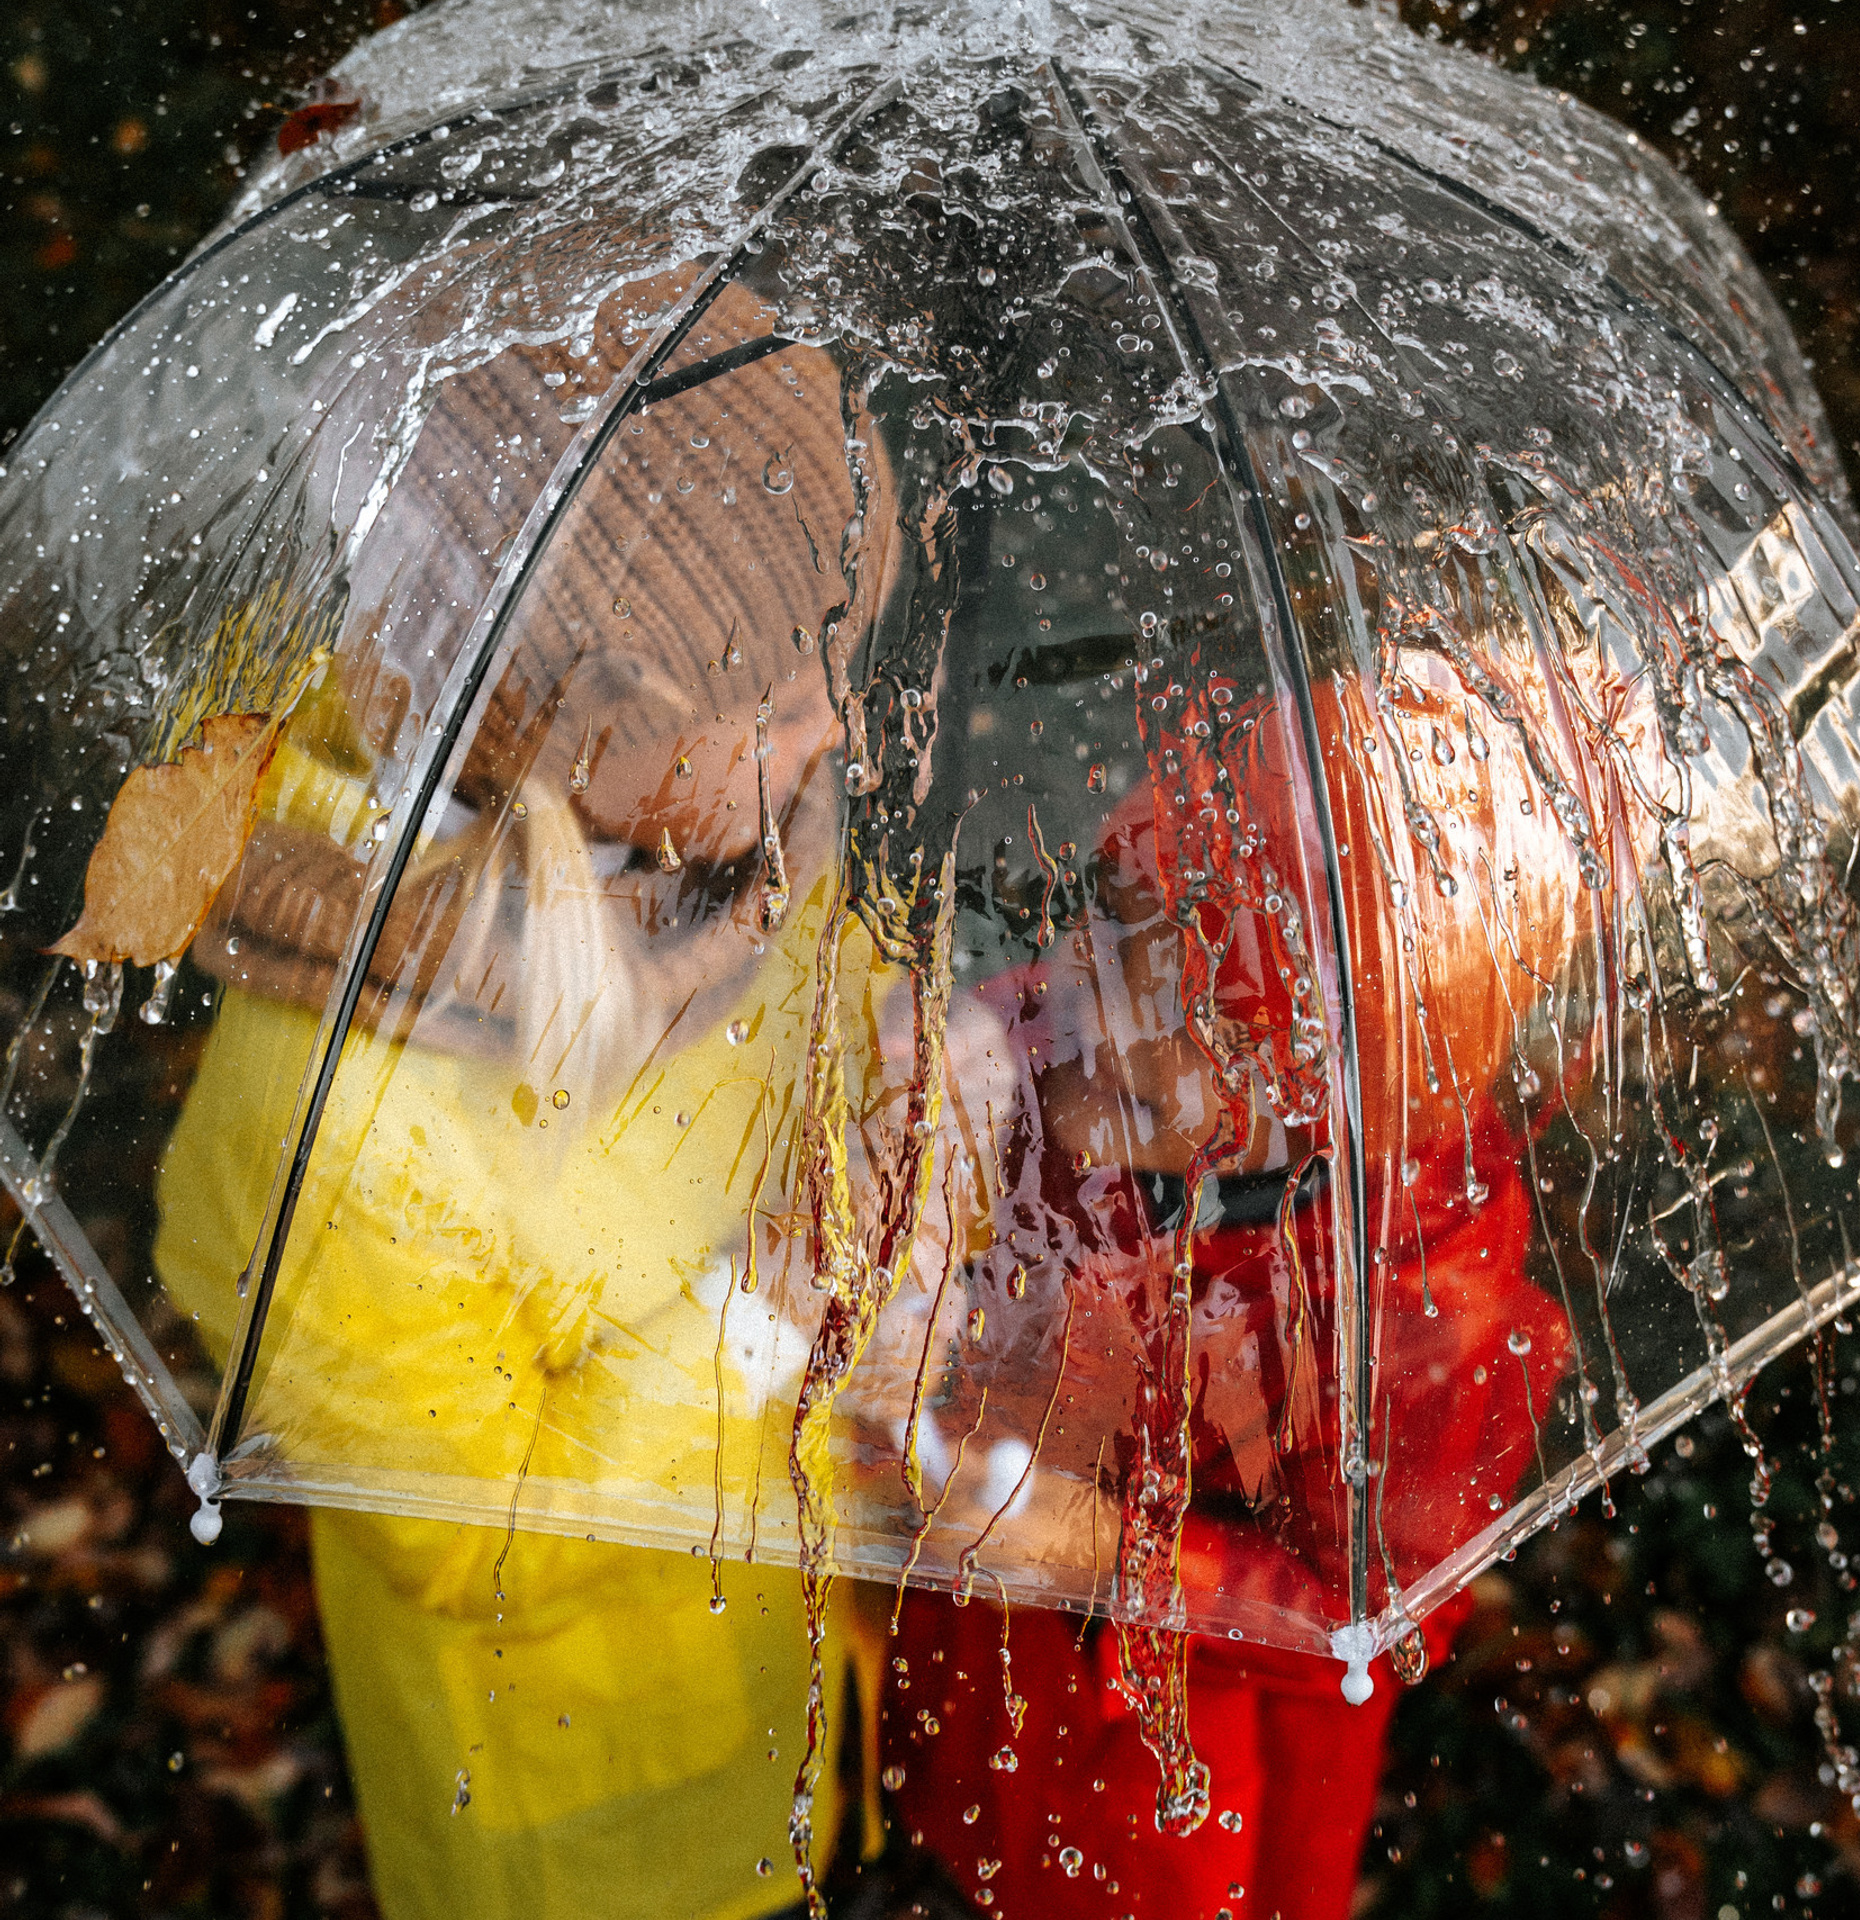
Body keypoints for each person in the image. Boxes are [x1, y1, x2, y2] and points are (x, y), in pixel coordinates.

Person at [151, 254, 1580, 1920]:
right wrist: (775, 1332)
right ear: (561, 726)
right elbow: (463, 1535)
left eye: (834, 651)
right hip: (592, 1791)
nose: (839, 721)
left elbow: (814, 1040)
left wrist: (900, 1049)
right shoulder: (352, 1133)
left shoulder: (726, 843)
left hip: (853, 1677)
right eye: (772, 702)